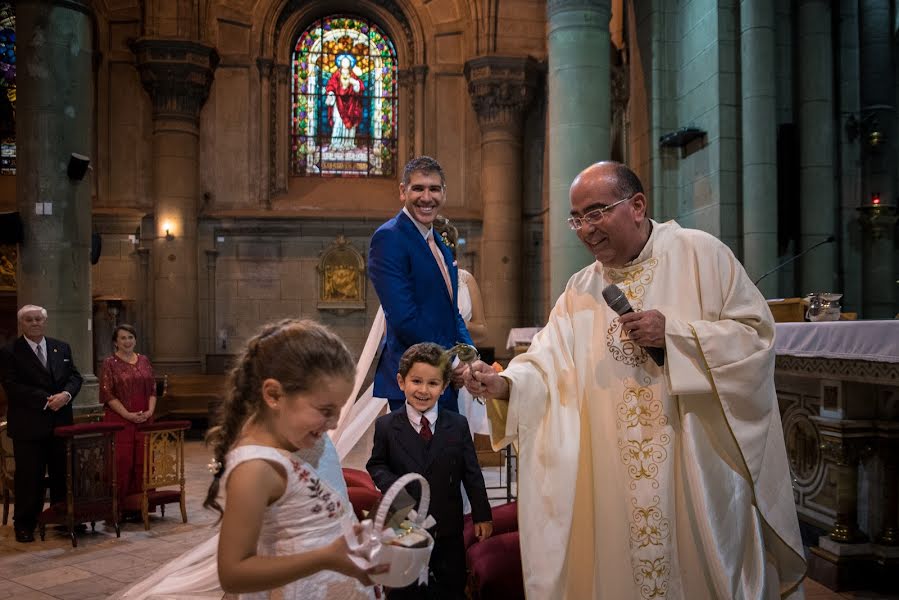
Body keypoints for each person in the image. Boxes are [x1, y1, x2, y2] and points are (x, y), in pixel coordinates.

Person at [463, 162, 807, 599]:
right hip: (610, 471)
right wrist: (506, 386)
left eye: (596, 213)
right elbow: (546, 363)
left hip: (693, 463)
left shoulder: (701, 255)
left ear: (638, 206)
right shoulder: (580, 289)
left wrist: (677, 336)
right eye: (577, 219)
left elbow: (756, 339)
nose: (586, 230)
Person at [114, 319, 385, 599]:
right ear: (274, 395)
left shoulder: (297, 442)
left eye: (337, 411)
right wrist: (326, 557)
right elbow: (234, 574)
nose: (333, 424)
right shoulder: (255, 469)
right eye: (325, 410)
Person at [367, 342, 492, 599]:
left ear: (444, 387)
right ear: (401, 382)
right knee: (405, 590)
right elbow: (376, 464)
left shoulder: (457, 425)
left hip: (448, 525)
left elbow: (472, 473)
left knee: (450, 586)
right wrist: (397, 488)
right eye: (416, 381)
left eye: (433, 383)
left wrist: (482, 514)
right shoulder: (386, 426)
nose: (423, 390)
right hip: (404, 522)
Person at [368, 156, 473, 413]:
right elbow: (405, 318)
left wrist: (469, 356)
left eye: (434, 189)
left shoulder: (441, 246)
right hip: (414, 381)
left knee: (446, 453)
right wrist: (454, 361)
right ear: (403, 191)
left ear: (444, 193)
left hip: (443, 380)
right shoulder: (389, 238)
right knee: (415, 455)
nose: (427, 197)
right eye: (418, 188)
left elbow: (451, 312)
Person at [0, 305, 82, 543]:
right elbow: (11, 386)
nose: (34, 323)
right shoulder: (9, 351)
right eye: (29, 320)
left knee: (62, 474)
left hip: (61, 424)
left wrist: (65, 396)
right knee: (29, 478)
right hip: (28, 425)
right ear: (21, 324)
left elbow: (74, 377)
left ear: (44, 322)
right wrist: (47, 401)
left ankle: (61, 518)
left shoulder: (61, 347)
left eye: (38, 319)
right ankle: (25, 524)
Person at [432, 215, 489, 436]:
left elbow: (483, 330)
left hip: (463, 368)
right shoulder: (417, 279)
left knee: (459, 441)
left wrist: (459, 323)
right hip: (429, 368)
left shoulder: (465, 280)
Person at [99, 324, 157, 503]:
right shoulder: (109, 363)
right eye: (123, 338)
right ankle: (120, 507)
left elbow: (153, 389)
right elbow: (107, 394)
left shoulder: (144, 360)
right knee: (122, 462)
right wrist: (128, 415)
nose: (127, 341)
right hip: (120, 420)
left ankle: (142, 505)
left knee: (144, 461)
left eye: (130, 337)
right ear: (115, 342)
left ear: (135, 339)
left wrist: (149, 411)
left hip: (144, 419)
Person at [326, 55, 365, 151]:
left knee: (351, 122)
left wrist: (355, 83)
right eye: (343, 61)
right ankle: (336, 143)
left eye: (347, 61)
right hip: (338, 102)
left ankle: (348, 143)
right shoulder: (336, 74)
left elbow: (360, 87)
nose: (345, 63)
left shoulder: (353, 75)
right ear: (340, 63)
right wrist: (331, 93)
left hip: (351, 103)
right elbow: (331, 85)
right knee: (338, 122)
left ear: (350, 63)